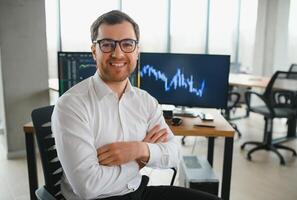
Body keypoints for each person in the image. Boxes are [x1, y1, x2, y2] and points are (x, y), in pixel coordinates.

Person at [52, 10, 220, 200]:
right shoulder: (71, 105)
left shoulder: (145, 101)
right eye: (107, 44)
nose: (118, 53)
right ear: (94, 51)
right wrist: (139, 163)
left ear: (137, 51)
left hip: (136, 192)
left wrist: (139, 150)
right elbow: (88, 186)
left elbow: (174, 153)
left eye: (127, 44)